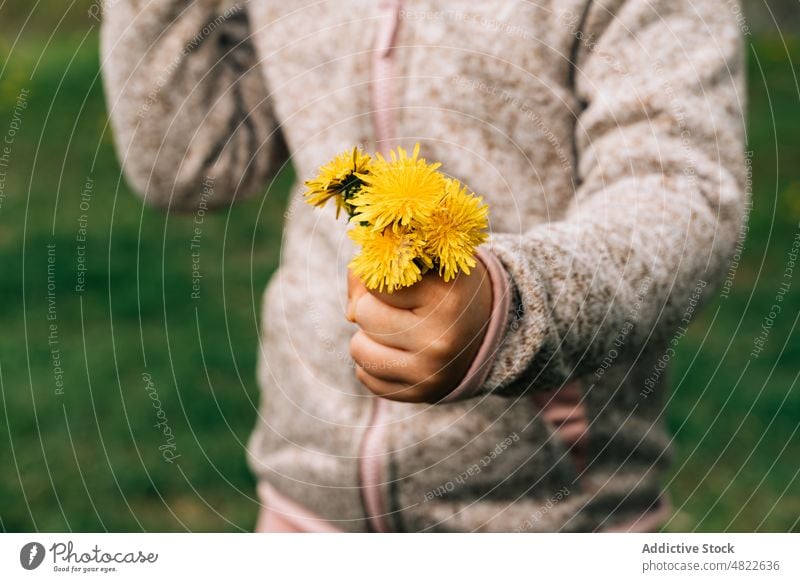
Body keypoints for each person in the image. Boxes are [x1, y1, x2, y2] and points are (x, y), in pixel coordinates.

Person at [101, 0, 746, 532]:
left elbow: (678, 189)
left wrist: (510, 306)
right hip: (307, 505)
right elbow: (191, 165)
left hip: (549, 516)